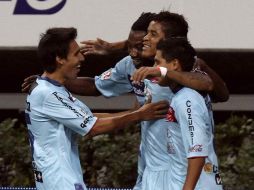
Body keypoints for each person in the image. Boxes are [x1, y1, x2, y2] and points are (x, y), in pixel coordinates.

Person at [22, 11, 228, 189]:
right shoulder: (132, 65)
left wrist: (165, 70)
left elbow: (214, 89)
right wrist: (52, 81)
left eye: (151, 34)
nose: (145, 39)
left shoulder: (186, 71)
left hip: (187, 169)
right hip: (152, 169)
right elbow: (95, 86)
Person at [24, 27, 169, 190]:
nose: (81, 58)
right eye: (76, 53)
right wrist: (139, 116)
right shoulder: (48, 94)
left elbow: (88, 117)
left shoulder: (50, 88)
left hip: (56, 179)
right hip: (60, 181)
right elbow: (93, 127)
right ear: (60, 59)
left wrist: (139, 112)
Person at [135, 38, 223, 189]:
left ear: (174, 65)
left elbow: (197, 151)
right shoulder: (180, 97)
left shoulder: (187, 98)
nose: (154, 68)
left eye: (158, 62)